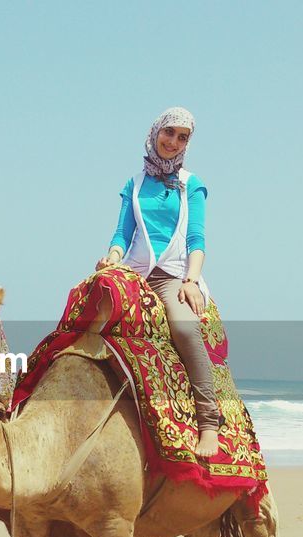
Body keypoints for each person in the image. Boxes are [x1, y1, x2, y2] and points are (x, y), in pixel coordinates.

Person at [95, 106, 220, 458]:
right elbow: (122, 234)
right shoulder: (134, 184)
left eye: (183, 137)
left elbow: (197, 239)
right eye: (169, 133)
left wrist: (191, 281)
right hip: (133, 272)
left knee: (183, 328)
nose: (173, 142)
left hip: (173, 275)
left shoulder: (191, 185)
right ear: (155, 133)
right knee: (86, 314)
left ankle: (209, 422)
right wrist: (112, 258)